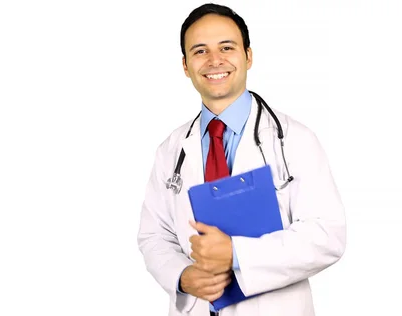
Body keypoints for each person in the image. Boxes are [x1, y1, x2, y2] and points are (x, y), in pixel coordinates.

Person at [137, 3, 346, 316]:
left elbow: (328, 236)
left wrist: (236, 254)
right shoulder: (171, 149)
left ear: (248, 56)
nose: (214, 60)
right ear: (185, 65)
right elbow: (154, 235)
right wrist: (182, 276)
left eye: (226, 47)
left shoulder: (294, 139)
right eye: (200, 51)